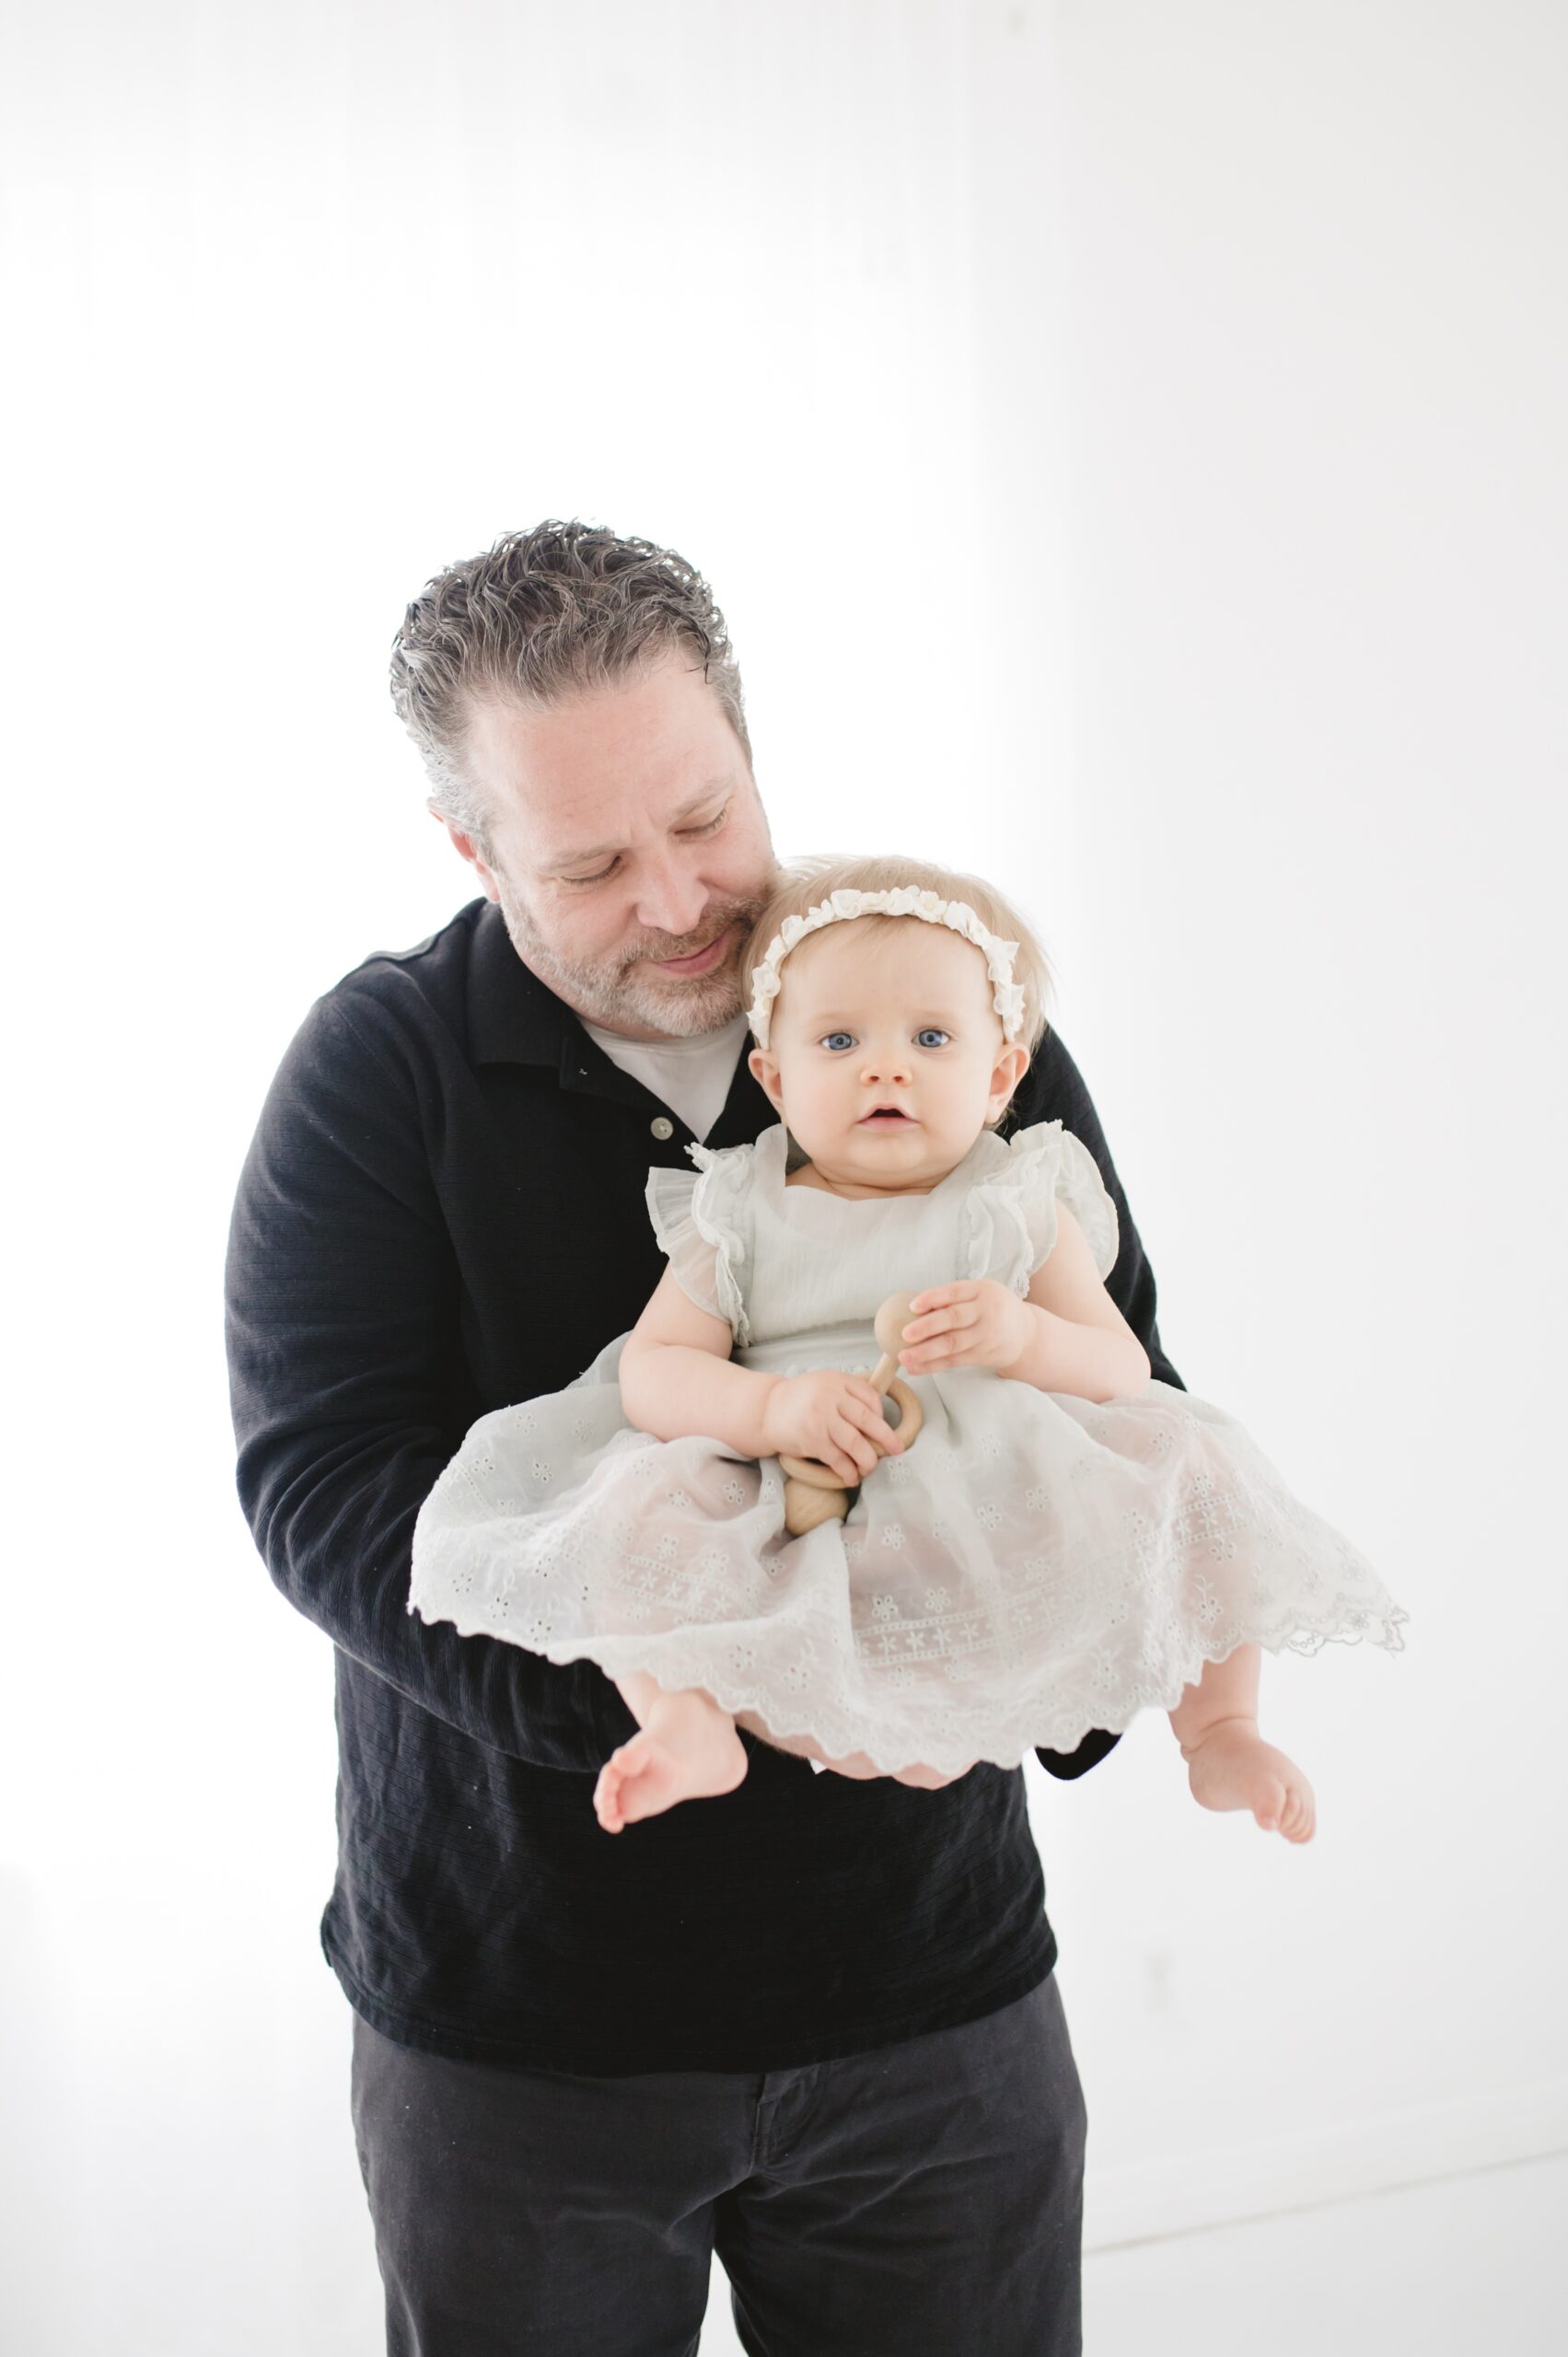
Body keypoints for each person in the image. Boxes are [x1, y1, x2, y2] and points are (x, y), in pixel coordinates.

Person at [226, 521, 1200, 2355]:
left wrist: (1024, 1683)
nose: (676, 899)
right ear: (472, 846)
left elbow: (1115, 1384)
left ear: (749, 751)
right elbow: (321, 1489)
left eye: (703, 816)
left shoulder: (940, 1004)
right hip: (522, 2032)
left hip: (931, 1993)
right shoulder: (378, 1072)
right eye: (590, 861)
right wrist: (659, 1690)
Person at [409, 853, 1406, 1840]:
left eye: (931, 1037)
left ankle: (1219, 1727)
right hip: (789, 1481)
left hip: (983, 1488)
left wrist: (1021, 1334)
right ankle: (685, 1716)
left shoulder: (1014, 1201)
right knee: (628, 1512)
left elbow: (1120, 1369)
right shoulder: (739, 1208)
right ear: (774, 1075)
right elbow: (653, 1370)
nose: (886, 1066)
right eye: (838, 1040)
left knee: (1193, 1460)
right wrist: (765, 1410)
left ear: (1000, 1074)